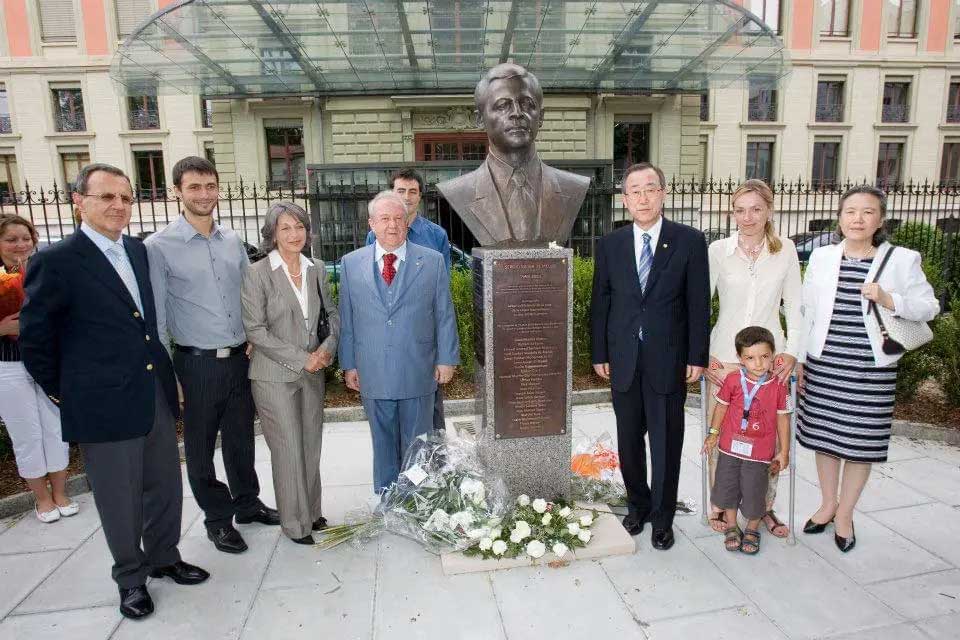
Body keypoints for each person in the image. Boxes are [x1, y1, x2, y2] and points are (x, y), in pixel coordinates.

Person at [19, 163, 208, 620]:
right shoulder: (57, 261)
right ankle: (130, 579)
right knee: (119, 498)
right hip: (103, 405)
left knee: (164, 486)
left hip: (151, 396)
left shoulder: (138, 251)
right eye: (107, 197)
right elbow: (35, 340)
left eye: (125, 197)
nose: (118, 206)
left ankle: (164, 556)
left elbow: (146, 327)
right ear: (78, 202)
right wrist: (66, 393)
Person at [146, 156, 279, 556]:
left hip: (240, 357)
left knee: (241, 439)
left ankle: (247, 504)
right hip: (196, 363)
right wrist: (171, 375)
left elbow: (247, 295)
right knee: (201, 449)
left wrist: (254, 337)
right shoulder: (158, 246)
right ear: (177, 192)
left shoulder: (232, 241)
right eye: (194, 187)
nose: (204, 195)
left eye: (209, 186)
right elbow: (158, 316)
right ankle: (217, 520)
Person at [797, 185, 939, 553]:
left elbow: (929, 307)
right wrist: (799, 359)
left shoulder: (901, 259)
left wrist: (889, 298)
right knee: (824, 440)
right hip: (825, 363)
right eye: (850, 212)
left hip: (870, 369)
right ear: (840, 217)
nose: (858, 219)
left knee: (860, 445)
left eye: (867, 212)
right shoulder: (822, 257)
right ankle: (827, 505)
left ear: (880, 219)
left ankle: (845, 514)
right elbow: (805, 312)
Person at [590, 162, 710, 550]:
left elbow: (697, 304)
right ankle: (638, 507)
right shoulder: (610, 244)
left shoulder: (689, 241)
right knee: (629, 441)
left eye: (650, 188)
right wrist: (599, 352)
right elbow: (601, 303)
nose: (642, 197)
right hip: (623, 360)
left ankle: (663, 517)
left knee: (665, 442)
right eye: (634, 190)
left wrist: (697, 355)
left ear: (662, 193)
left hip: (668, 360)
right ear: (624, 199)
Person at [338, 191, 460, 493]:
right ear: (372, 223)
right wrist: (349, 364)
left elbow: (444, 312)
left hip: (418, 369)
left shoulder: (431, 262)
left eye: (398, 218)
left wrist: (447, 358)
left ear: (407, 222)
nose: (392, 225)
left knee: (418, 443)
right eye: (385, 219)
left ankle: (416, 499)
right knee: (382, 442)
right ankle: (387, 499)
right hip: (372, 370)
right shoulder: (351, 264)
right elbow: (347, 318)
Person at [705, 179, 802, 538]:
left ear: (769, 211)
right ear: (732, 212)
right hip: (725, 359)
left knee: (768, 440)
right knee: (723, 438)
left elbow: (795, 305)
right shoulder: (718, 250)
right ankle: (721, 506)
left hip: (768, 359)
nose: (747, 217)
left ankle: (764, 508)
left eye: (756, 209)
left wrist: (793, 351)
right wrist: (702, 353)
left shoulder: (786, 250)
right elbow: (700, 303)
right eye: (740, 209)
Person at [241, 202, 339, 545]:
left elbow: (332, 314)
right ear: (272, 234)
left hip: (313, 373)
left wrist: (327, 349)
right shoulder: (257, 273)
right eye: (285, 228)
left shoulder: (318, 268)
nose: (294, 234)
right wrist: (302, 359)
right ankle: (295, 525)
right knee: (287, 450)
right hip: (273, 377)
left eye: (299, 227)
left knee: (310, 445)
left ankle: (312, 512)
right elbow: (256, 330)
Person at [437, 62, 590, 245]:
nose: (517, 113)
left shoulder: (574, 188)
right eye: (503, 106)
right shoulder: (456, 193)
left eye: (527, 104)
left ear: (540, 116)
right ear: (480, 119)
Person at [0, 214, 76, 522]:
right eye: (11, 239)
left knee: (56, 429)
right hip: (8, 364)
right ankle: (42, 498)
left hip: (48, 362)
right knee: (27, 434)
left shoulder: (45, 269)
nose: (20, 244)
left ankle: (60, 492)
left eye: (25, 238)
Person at [366, 169, 451, 432]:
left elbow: (442, 295)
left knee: (431, 407)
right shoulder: (375, 234)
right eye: (400, 191)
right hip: (389, 339)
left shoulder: (436, 236)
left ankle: (435, 465)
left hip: (422, 339)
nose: (406, 196)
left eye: (412, 191)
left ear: (420, 196)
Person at [702, 326, 791, 555]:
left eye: (764, 357)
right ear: (740, 359)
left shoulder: (778, 386)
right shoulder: (732, 380)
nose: (758, 364)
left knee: (754, 491)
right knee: (728, 487)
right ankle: (732, 525)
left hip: (760, 452)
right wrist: (713, 434)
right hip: (730, 448)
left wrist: (784, 451)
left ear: (773, 356)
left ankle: (752, 528)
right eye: (750, 358)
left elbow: (783, 420)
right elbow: (721, 408)